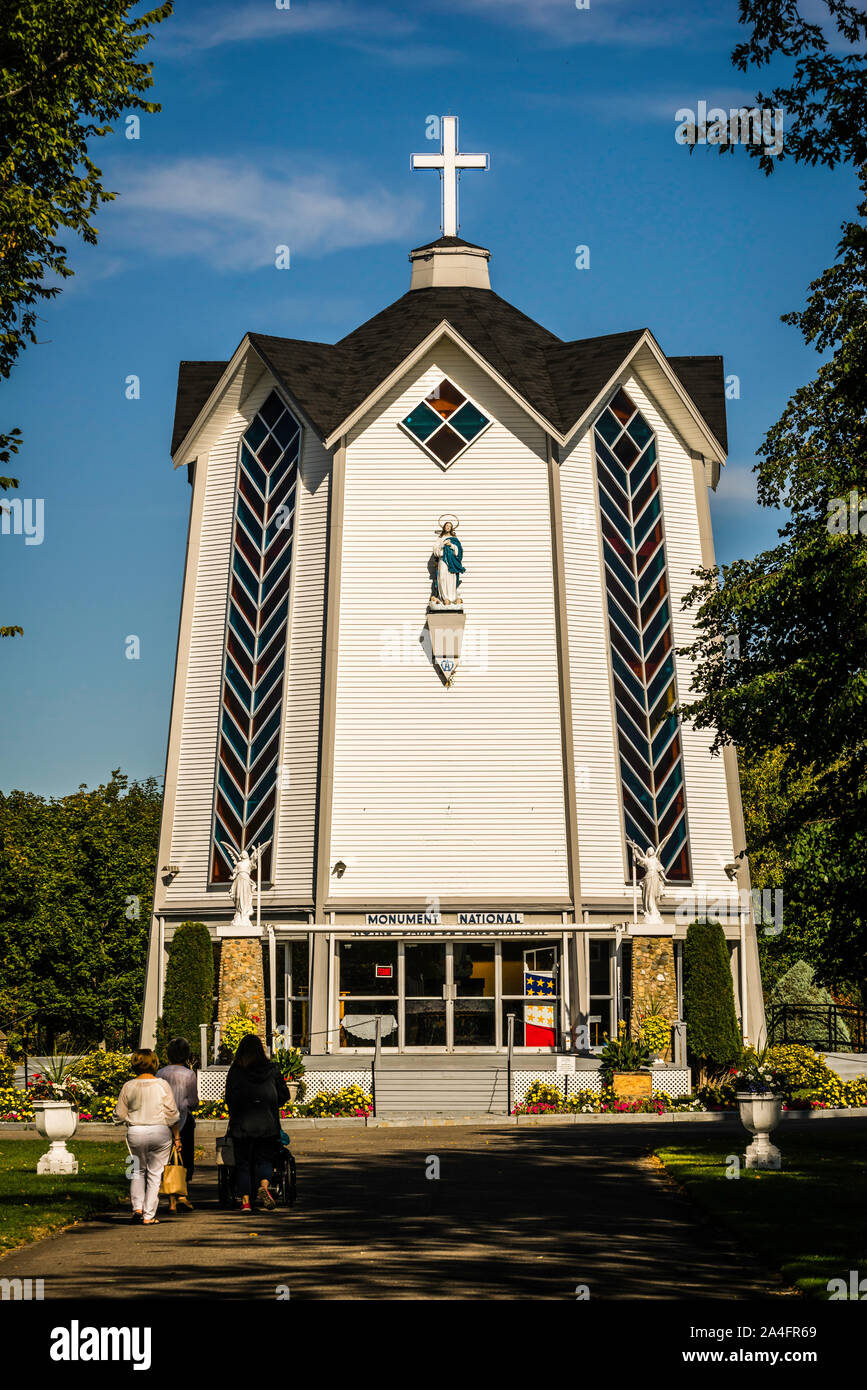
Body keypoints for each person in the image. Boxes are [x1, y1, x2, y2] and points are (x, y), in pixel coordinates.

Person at [115, 1048, 180, 1225]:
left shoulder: (128, 1086)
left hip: (136, 1132)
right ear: (154, 1063)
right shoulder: (162, 1084)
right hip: (160, 1132)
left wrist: (124, 1120)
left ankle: (136, 1207)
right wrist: (177, 1137)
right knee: (155, 1174)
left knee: (136, 1170)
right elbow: (172, 1114)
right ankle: (149, 1214)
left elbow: (119, 1115)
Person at [225, 1033, 289, 1212]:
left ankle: (245, 1202)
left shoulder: (236, 1070)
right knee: (265, 1158)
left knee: (242, 1162)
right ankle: (264, 1186)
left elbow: (229, 1096)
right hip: (267, 1123)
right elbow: (284, 1095)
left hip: (242, 1123)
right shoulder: (272, 1069)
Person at [157, 1037, 199, 1213]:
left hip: (163, 1120)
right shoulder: (189, 1074)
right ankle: (183, 1193)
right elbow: (193, 1101)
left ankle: (171, 1200)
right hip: (183, 1118)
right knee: (184, 1157)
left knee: (166, 1158)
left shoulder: (160, 1073)